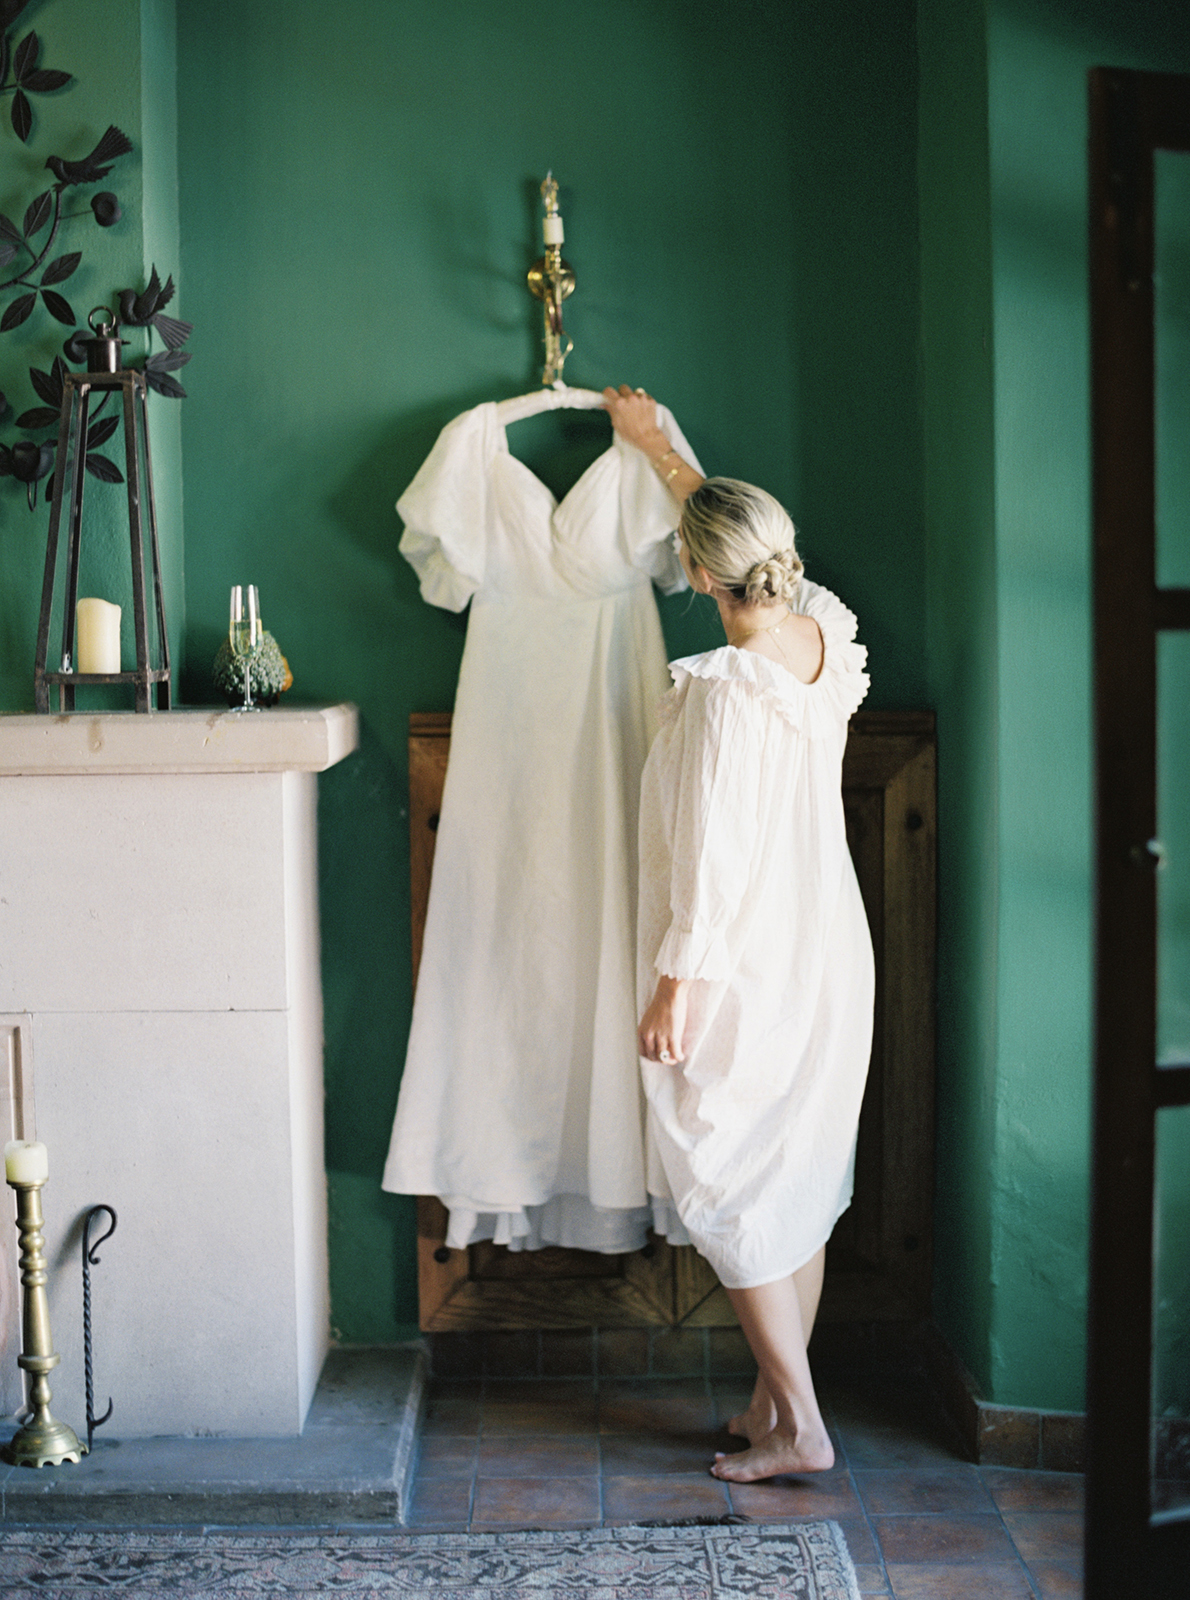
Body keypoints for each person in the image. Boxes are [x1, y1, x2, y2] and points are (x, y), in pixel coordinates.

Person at [601, 385, 876, 1483]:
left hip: (742, 959)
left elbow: (710, 863)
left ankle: (801, 1425)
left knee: (723, 1177)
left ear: (698, 575)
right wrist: (661, 443)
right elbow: (720, 524)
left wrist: (677, 985)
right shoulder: (820, 629)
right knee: (790, 1180)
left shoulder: (722, 692)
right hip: (825, 948)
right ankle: (774, 1406)